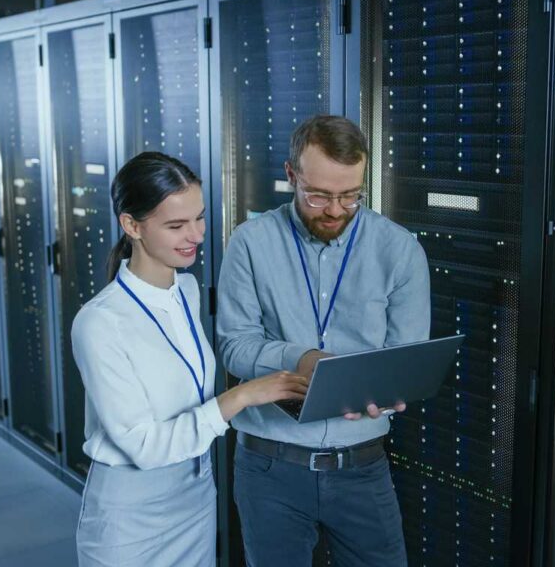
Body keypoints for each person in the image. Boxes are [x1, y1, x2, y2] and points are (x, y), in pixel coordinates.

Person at [71, 152, 309, 566]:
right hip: (131, 514)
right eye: (176, 225)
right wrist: (241, 396)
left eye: (199, 218)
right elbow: (143, 446)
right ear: (132, 225)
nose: (196, 235)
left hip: (196, 493)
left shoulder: (187, 291)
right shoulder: (99, 322)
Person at [217, 115, 431, 566]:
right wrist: (302, 359)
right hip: (270, 468)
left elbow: (405, 358)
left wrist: (388, 393)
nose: (335, 210)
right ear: (291, 175)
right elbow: (234, 346)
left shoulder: (399, 249)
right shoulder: (250, 242)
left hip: (362, 468)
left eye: (350, 196)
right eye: (318, 195)